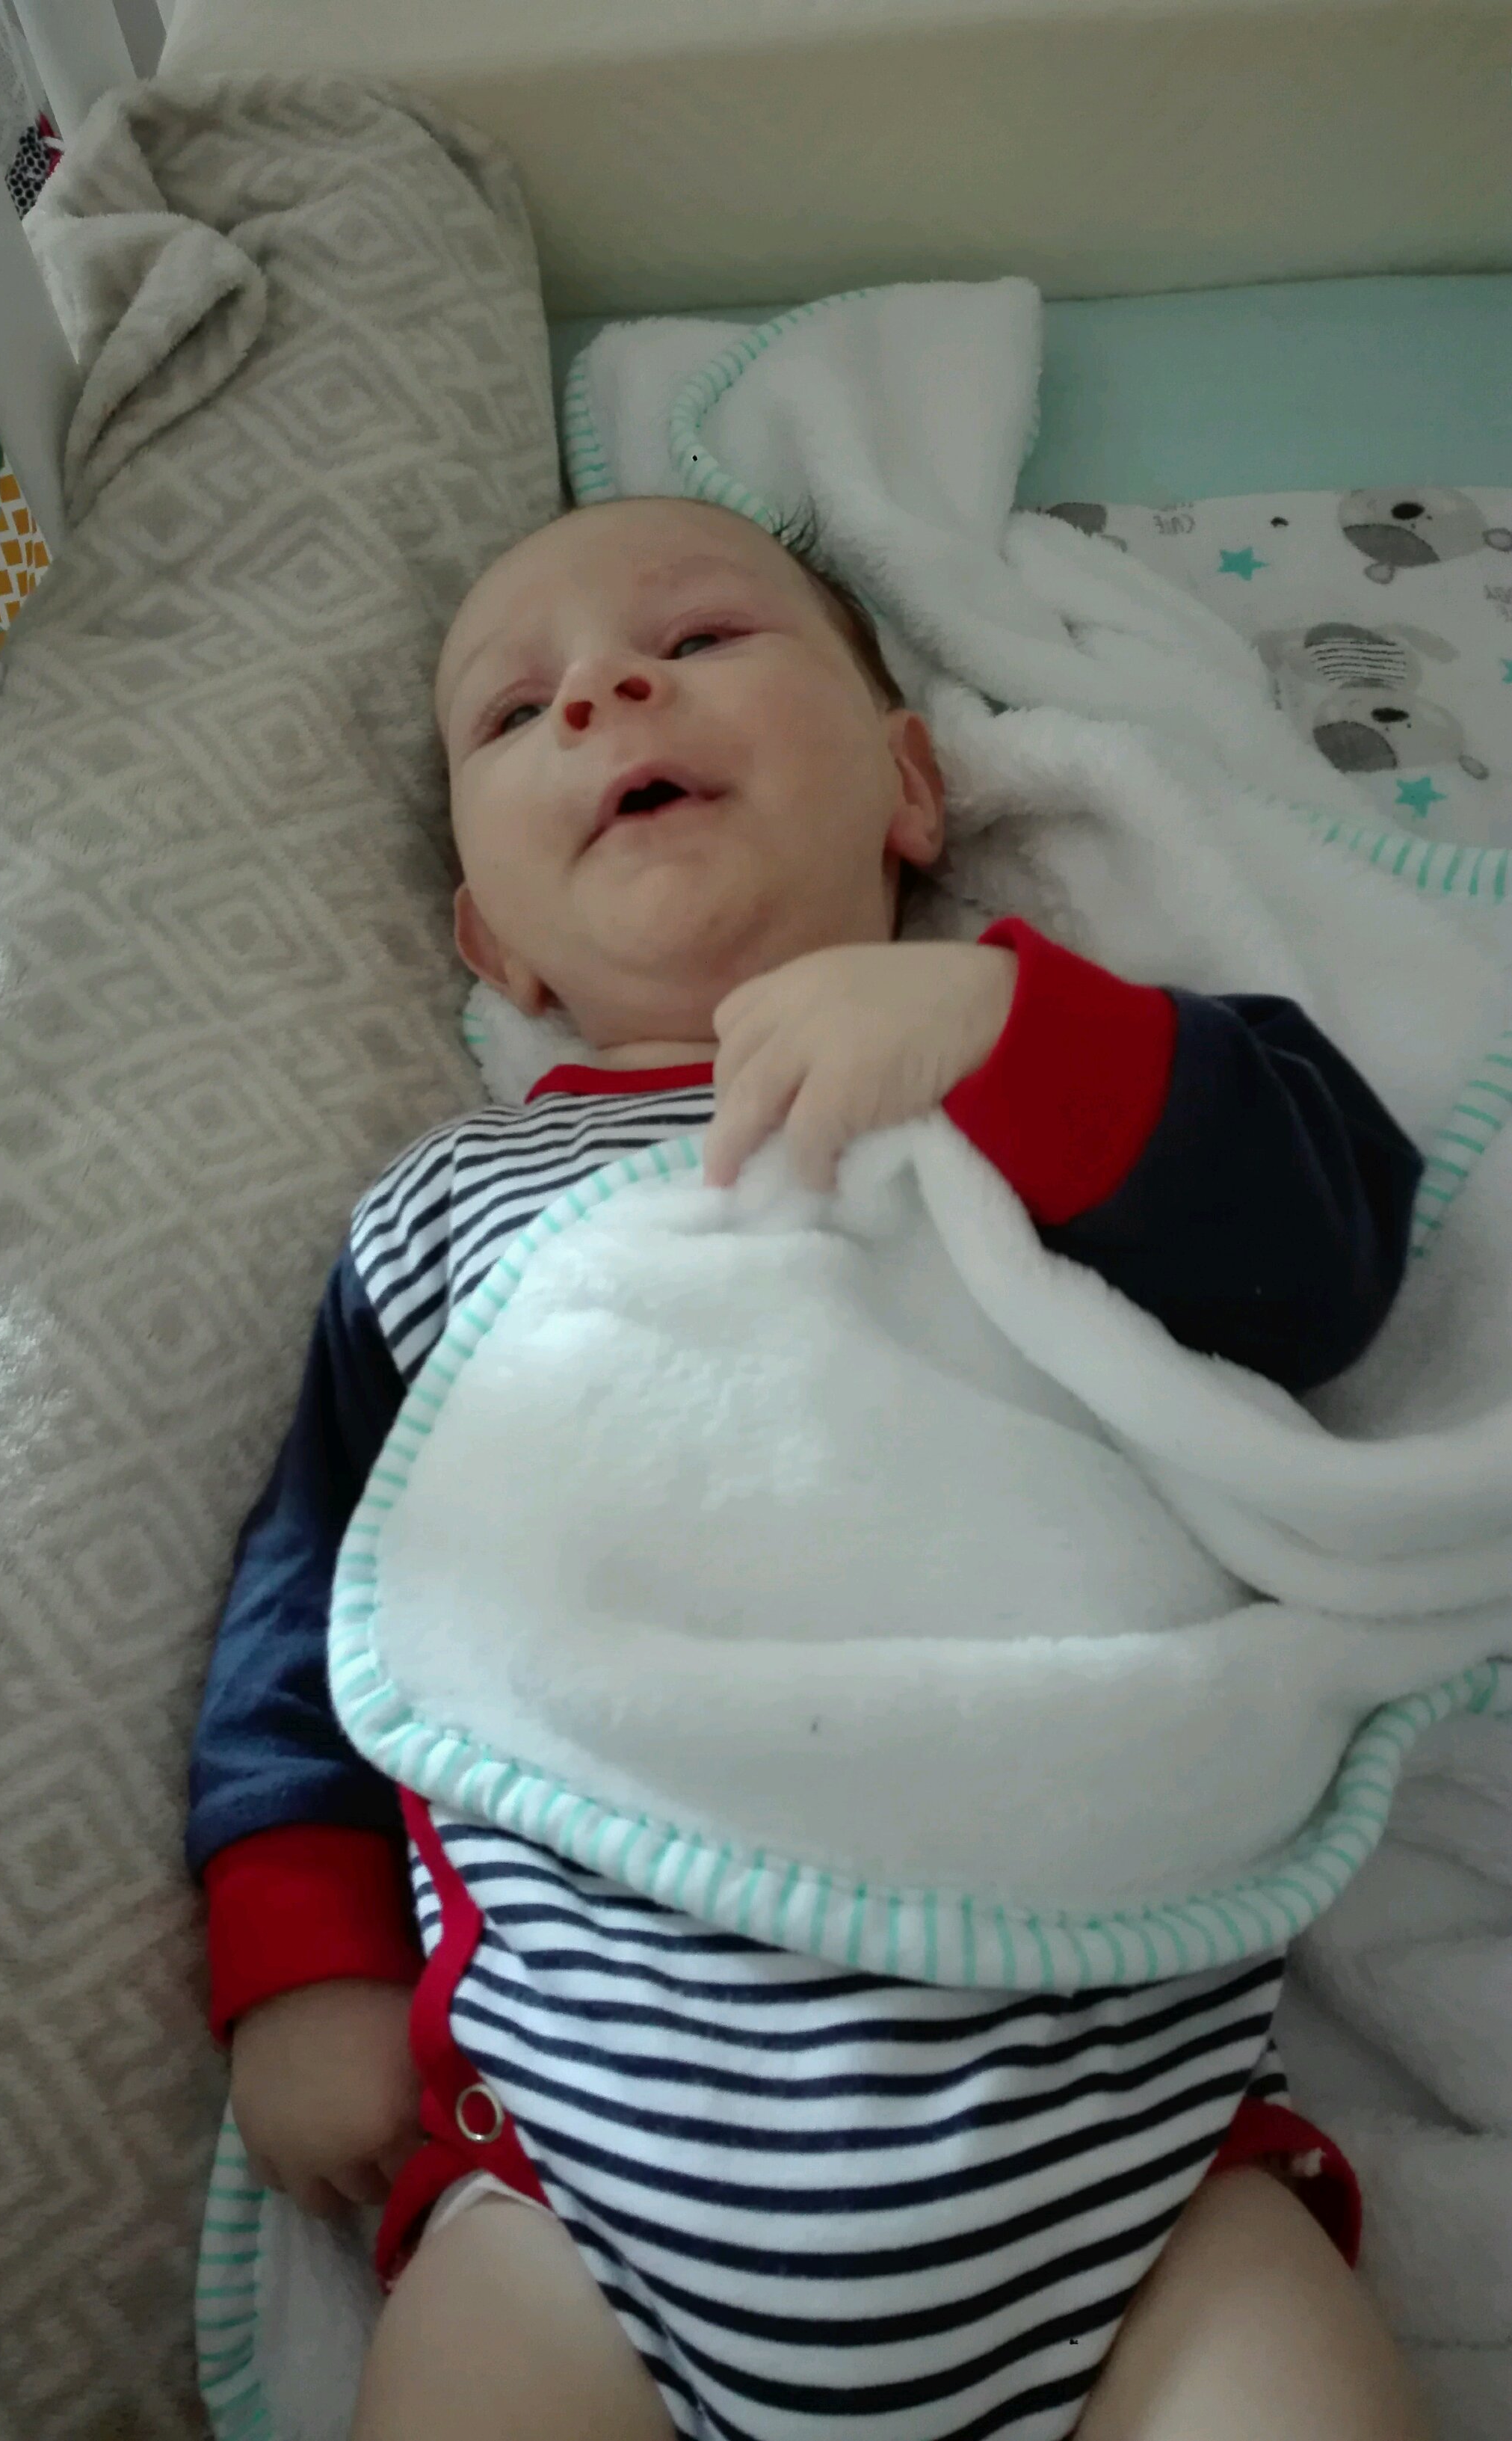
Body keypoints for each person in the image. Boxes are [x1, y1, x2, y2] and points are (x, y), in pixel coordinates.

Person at [188, 497, 1432, 2441]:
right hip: (584, 2176)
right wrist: (295, 1952)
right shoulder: (445, 1211)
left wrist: (997, 1022)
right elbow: (332, 1595)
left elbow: (1325, 1263)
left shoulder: (1040, 1060)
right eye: (514, 711)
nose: (603, 691)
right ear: (493, 944)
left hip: (1122, 2136)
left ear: (911, 789)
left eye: (696, 639)